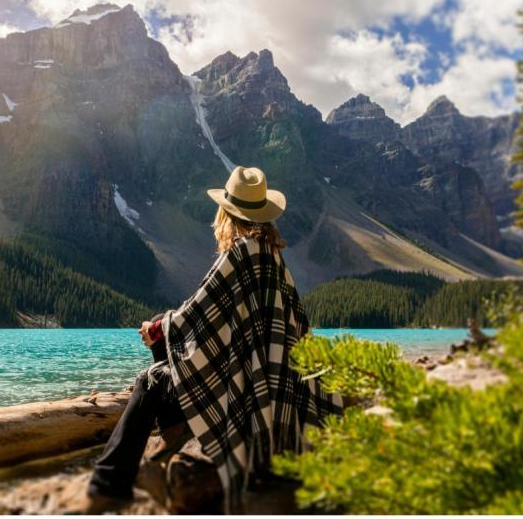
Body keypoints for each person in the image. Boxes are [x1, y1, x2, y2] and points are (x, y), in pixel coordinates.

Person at [74, 166, 344, 514]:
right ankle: (173, 437)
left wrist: (155, 330)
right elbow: (222, 317)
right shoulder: (272, 256)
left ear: (226, 213)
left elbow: (196, 313)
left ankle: (108, 487)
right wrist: (164, 325)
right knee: (165, 331)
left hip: (243, 395)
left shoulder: (240, 254)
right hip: (272, 393)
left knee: (150, 380)